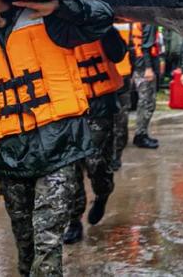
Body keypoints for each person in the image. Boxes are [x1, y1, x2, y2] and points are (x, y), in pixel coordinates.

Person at [0, 0, 113, 277]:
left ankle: (100, 195)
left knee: (47, 246)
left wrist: (61, 7)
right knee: (26, 247)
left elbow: (102, 17)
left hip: (60, 144)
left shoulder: (46, 18)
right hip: (13, 154)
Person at [63, 27, 126, 244]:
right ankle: (74, 220)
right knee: (70, 166)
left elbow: (118, 54)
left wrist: (104, 27)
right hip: (66, 105)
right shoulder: (51, 26)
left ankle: (103, 192)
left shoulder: (98, 23)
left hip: (99, 105)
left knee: (95, 162)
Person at [130, 22, 163, 148]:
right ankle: (140, 135)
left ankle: (142, 134)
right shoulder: (150, 22)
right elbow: (146, 47)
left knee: (145, 102)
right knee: (147, 103)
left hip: (138, 66)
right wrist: (148, 68)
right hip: (144, 68)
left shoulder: (137, 20)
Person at [111, 21, 134, 170]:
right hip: (99, 79)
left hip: (122, 78)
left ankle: (116, 155)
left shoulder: (128, 21)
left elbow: (134, 48)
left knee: (121, 120)